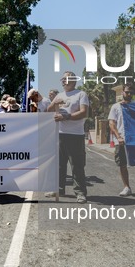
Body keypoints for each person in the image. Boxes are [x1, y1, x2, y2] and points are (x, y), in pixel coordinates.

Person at [47, 71, 89, 204]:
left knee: (77, 165)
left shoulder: (81, 94)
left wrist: (67, 116)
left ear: (74, 80)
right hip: (60, 134)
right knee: (59, 165)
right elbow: (48, 111)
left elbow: (84, 112)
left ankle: (80, 192)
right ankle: (59, 189)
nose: (64, 81)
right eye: (62, 79)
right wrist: (54, 104)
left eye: (66, 79)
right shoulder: (59, 95)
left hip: (75, 135)